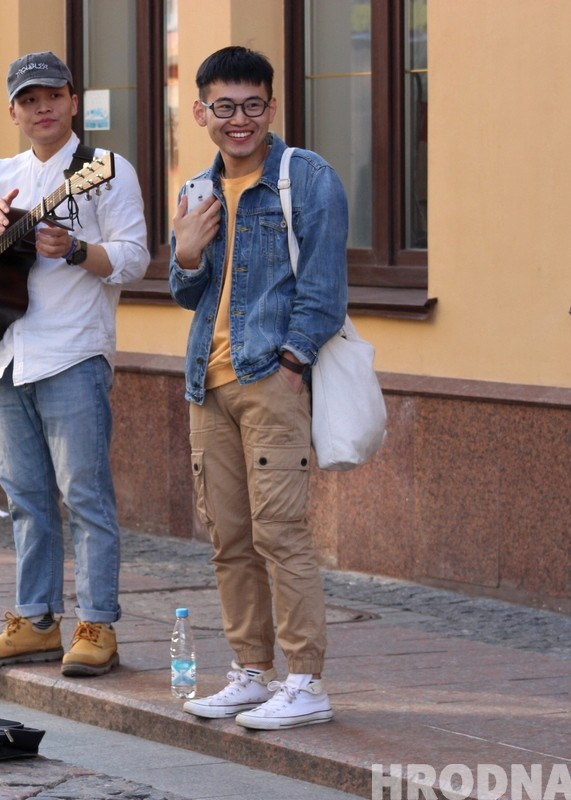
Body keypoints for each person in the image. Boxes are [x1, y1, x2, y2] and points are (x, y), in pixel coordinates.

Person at [0, 51, 149, 677]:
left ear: (74, 100)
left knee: (85, 496)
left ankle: (97, 625)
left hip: (73, 354)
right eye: (29, 100)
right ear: (14, 112)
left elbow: (135, 258)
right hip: (3, 356)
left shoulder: (104, 171)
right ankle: (36, 620)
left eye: (52, 95)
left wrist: (78, 250)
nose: (41, 108)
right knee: (24, 498)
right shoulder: (0, 174)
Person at [169, 46, 348, 729]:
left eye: (251, 106)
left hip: (268, 379)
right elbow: (190, 289)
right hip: (205, 385)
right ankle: (250, 671)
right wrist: (186, 250)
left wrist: (290, 364)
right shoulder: (195, 190)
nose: (238, 120)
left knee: (282, 534)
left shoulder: (306, 178)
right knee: (229, 537)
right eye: (224, 107)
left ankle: (305, 681)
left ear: (270, 108)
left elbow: (324, 290)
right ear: (202, 112)